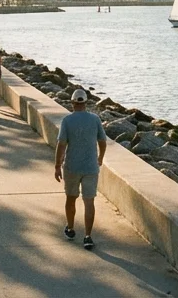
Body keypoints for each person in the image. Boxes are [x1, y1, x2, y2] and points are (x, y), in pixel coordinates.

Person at [55, 88, 106, 250]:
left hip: (72, 166)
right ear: (85, 103)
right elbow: (102, 141)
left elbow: (61, 145)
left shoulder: (67, 121)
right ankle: (88, 236)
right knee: (89, 201)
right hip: (91, 167)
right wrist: (100, 158)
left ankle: (70, 229)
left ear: (72, 103)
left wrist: (57, 166)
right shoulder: (95, 119)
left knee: (71, 198)